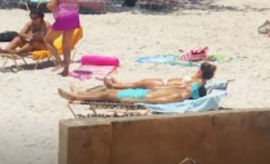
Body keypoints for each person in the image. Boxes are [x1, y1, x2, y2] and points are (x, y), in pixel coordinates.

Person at [45, 0, 81, 76]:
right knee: (66, 45)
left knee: (47, 40)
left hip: (63, 17)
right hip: (74, 17)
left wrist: (47, 4)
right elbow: (76, 5)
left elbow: (52, 5)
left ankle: (59, 62)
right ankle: (66, 70)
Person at [57, 82, 207, 104]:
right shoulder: (181, 91)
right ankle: (80, 92)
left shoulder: (179, 96)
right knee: (107, 90)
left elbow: (157, 101)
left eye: (191, 86)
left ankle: (76, 96)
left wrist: (135, 101)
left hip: (141, 97)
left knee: (106, 95)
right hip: (142, 92)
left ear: (193, 92)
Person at [102, 62, 217, 90]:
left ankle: (114, 86)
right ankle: (119, 83)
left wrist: (164, 89)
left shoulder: (199, 82)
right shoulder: (198, 79)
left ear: (201, 71)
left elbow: (184, 88)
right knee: (140, 81)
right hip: (165, 81)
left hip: (164, 85)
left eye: (199, 69)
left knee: (139, 84)